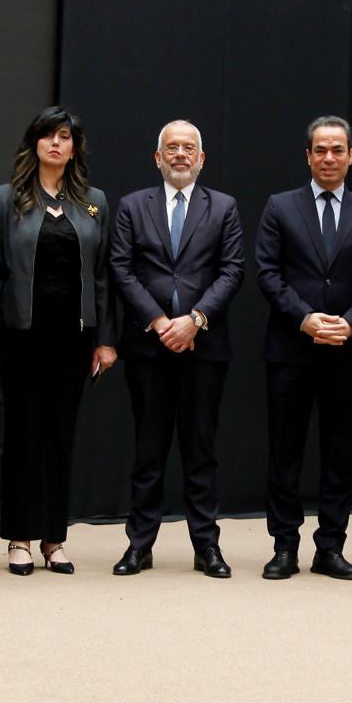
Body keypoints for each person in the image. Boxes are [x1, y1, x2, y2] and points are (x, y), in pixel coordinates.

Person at [255, 115, 352, 580]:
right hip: (290, 349)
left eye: (338, 150)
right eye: (321, 150)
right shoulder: (280, 206)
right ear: (308, 156)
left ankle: (330, 547)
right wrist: (306, 319)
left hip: (347, 351)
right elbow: (268, 273)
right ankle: (284, 547)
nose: (329, 157)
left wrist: (350, 322)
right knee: (284, 453)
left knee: (339, 453)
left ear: (351, 156)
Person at [0, 106, 117, 576]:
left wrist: (106, 339)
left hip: (75, 337)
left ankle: (54, 539)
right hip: (21, 335)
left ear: (75, 148)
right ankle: (19, 537)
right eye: (48, 135)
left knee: (61, 436)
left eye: (65, 136)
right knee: (23, 434)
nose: (56, 143)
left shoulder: (94, 201)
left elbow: (103, 275)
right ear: (34, 143)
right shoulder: (5, 199)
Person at [108, 120, 244, 578]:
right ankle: (139, 546)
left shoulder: (223, 207)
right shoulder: (132, 206)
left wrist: (195, 320)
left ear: (201, 159)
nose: (180, 154)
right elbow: (121, 268)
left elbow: (232, 270)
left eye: (189, 148)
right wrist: (159, 320)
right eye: (172, 148)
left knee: (201, 450)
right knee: (148, 450)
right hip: (149, 346)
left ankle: (207, 546)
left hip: (203, 347)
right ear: (158, 157)